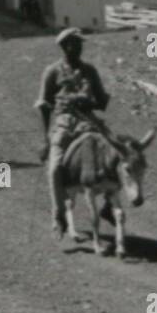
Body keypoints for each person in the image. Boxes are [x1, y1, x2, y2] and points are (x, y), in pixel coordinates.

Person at [35, 28, 111, 235]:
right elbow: (43, 105)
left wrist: (91, 100)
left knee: (117, 153)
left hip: (88, 121)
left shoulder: (90, 70)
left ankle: (109, 206)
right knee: (54, 168)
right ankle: (59, 214)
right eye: (73, 44)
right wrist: (45, 140)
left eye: (79, 44)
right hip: (64, 123)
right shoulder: (52, 71)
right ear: (63, 46)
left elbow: (101, 100)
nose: (78, 48)